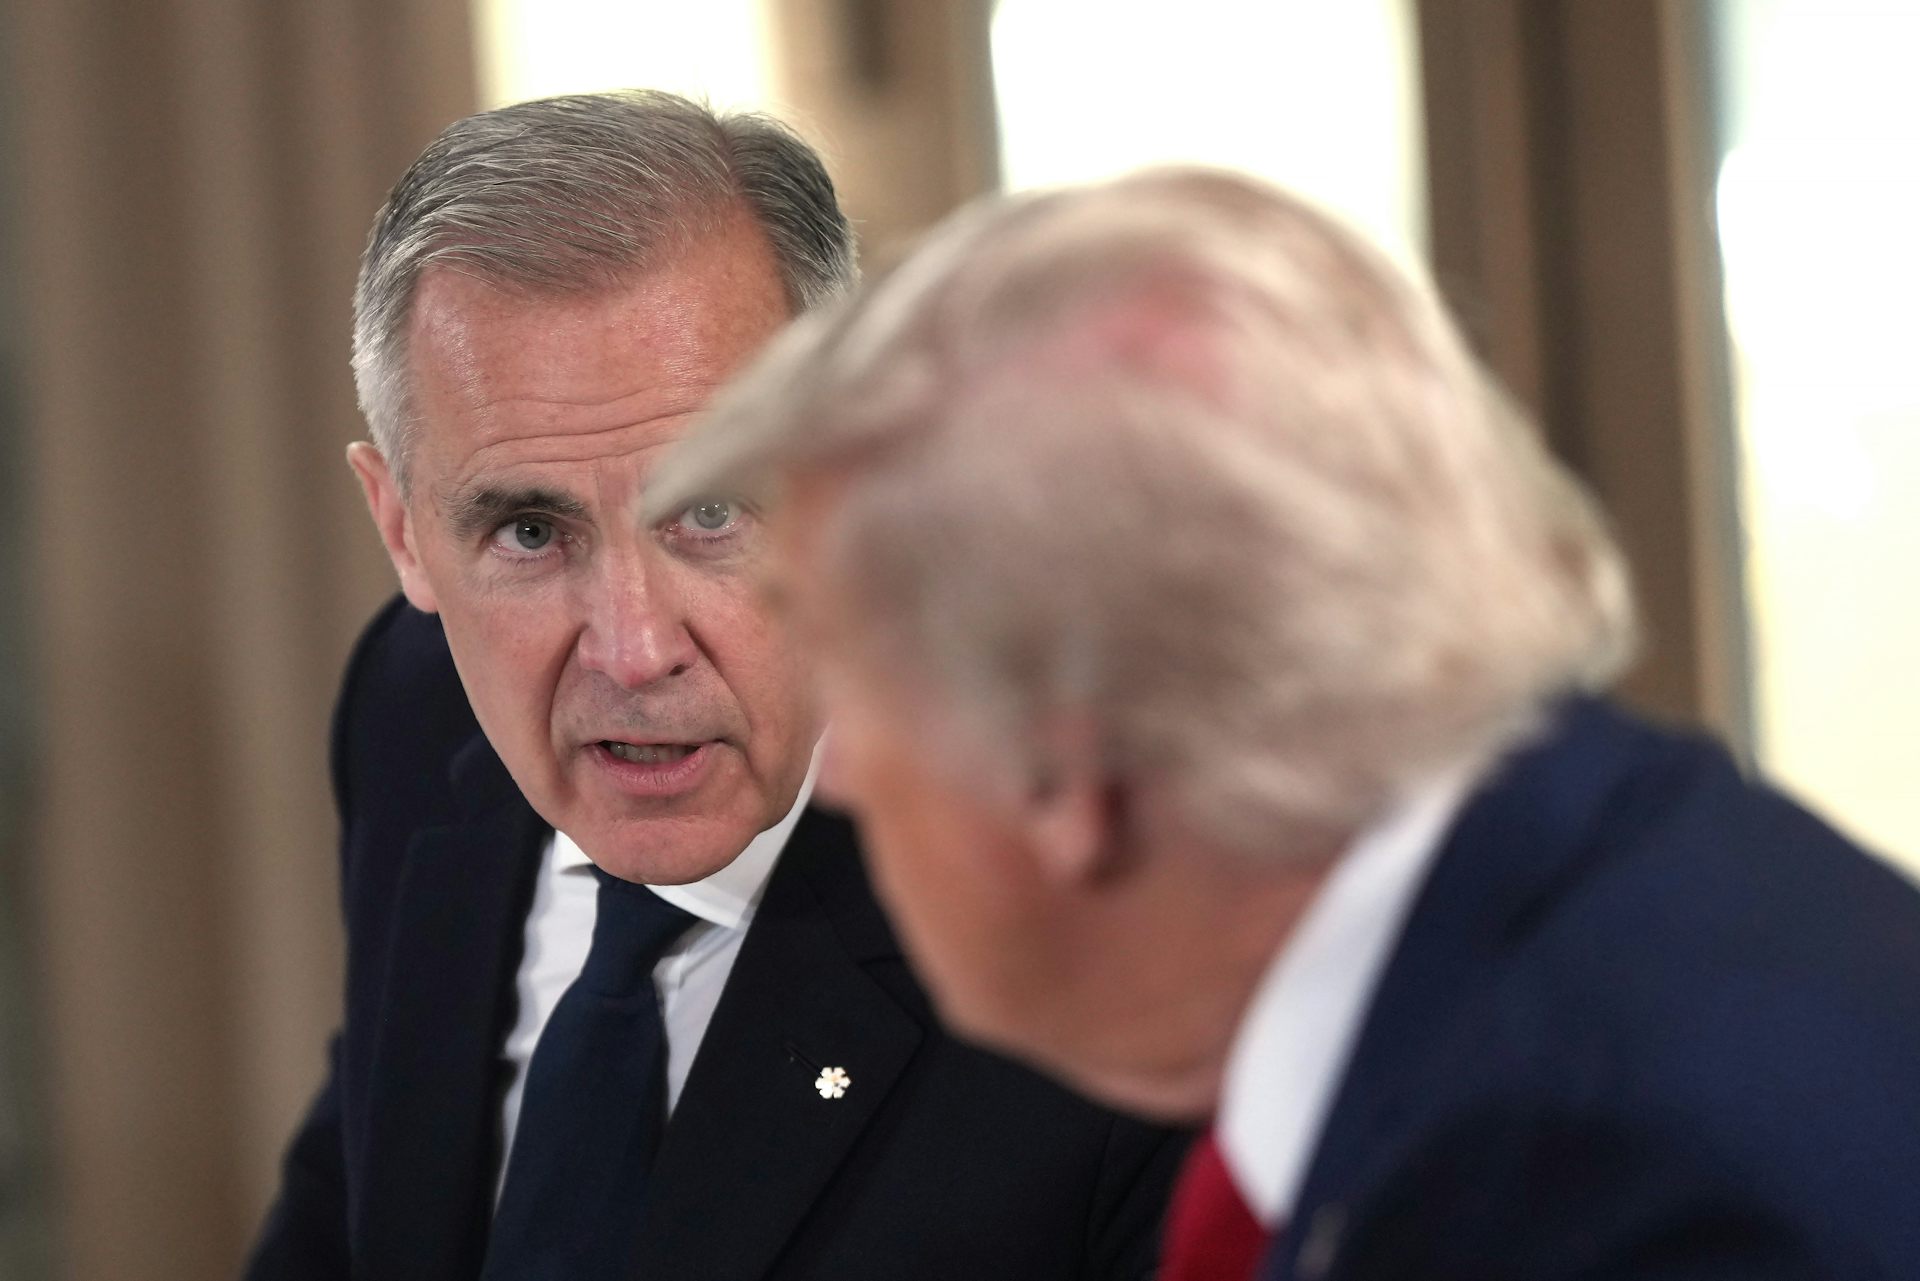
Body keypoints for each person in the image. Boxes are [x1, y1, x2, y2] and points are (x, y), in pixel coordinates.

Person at [649, 167, 1920, 1280]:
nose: (841, 771)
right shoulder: (1612, 885)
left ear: (1066, 770)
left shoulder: (1605, 1200)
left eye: (854, 671)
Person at [244, 91, 1188, 1281]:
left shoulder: (1108, 905)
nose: (635, 650)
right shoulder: (408, 713)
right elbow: (357, 1202)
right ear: (402, 530)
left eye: (711, 510)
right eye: (530, 532)